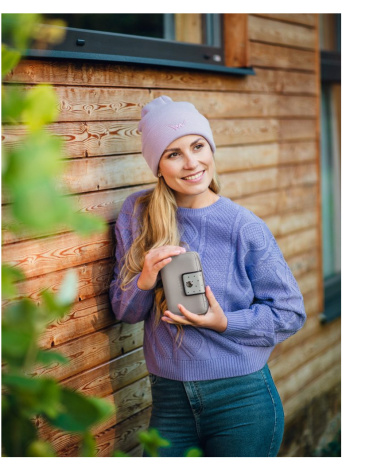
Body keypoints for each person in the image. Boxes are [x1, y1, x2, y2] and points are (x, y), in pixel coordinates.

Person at [109, 95, 306, 457]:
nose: (191, 163)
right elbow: (126, 312)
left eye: (198, 146)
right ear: (157, 166)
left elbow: (290, 314)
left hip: (242, 402)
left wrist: (224, 322)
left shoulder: (243, 226)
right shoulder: (137, 214)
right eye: (174, 153)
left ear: (211, 149)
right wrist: (145, 278)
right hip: (169, 402)